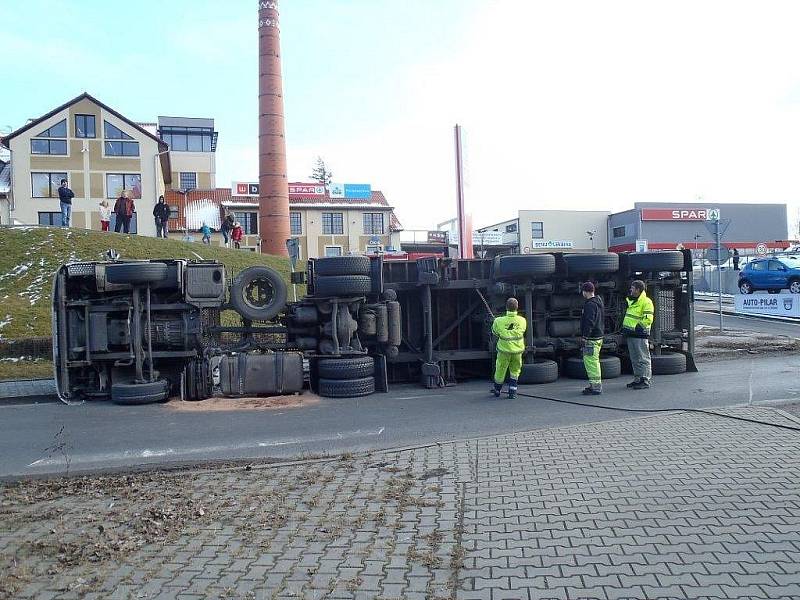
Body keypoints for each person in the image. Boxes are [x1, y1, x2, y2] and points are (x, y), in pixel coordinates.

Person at [490, 297, 527, 399]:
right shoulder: (522, 320)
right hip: (517, 351)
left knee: (500, 370)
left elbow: (494, 332)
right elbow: (522, 330)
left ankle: (497, 390)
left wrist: (497, 323)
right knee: (515, 371)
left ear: (506, 307)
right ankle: (512, 392)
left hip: (504, 351)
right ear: (517, 307)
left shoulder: (498, 321)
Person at [623, 279, 654, 390]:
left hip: (639, 335)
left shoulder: (646, 302)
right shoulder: (633, 301)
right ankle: (638, 379)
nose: (630, 289)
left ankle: (645, 380)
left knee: (643, 358)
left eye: (632, 288)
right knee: (635, 358)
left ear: (638, 289)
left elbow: (648, 319)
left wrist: (637, 328)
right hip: (631, 334)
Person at [579, 281, 604, 395]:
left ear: (585, 291)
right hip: (598, 336)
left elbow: (589, 321)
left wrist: (585, 336)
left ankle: (595, 386)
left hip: (591, 338)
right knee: (593, 361)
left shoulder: (589, 305)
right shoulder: (598, 302)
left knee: (591, 362)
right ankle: (594, 384)